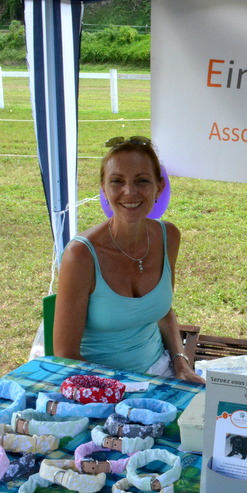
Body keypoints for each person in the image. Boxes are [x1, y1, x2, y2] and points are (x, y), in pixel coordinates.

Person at [53, 136, 203, 383]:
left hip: (160, 373)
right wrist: (124, 390)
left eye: (142, 180)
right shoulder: (80, 255)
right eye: (117, 181)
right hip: (98, 382)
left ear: (159, 187)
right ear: (104, 188)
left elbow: (164, 313)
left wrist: (180, 362)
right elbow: (66, 356)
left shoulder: (168, 236)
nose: (129, 192)